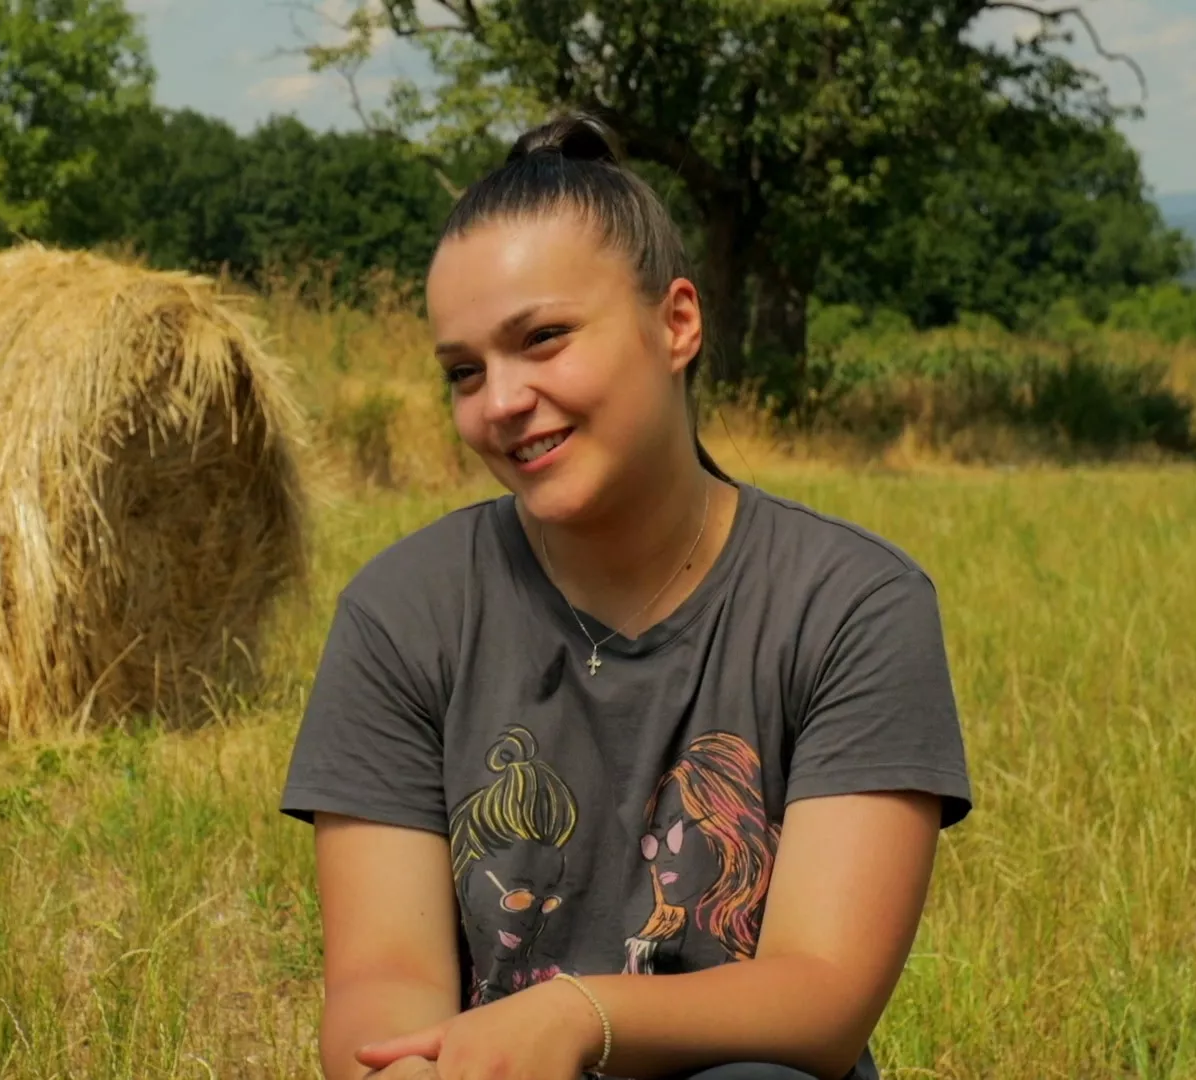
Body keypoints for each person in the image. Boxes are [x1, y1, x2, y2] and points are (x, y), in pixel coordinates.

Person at [278, 112, 973, 1080]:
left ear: (676, 323)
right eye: (464, 372)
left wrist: (580, 1015)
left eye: (544, 339)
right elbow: (381, 979)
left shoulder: (852, 606)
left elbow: (822, 996)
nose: (500, 402)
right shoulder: (402, 613)